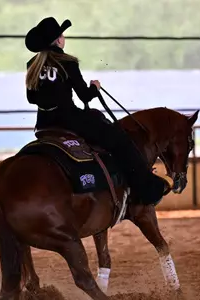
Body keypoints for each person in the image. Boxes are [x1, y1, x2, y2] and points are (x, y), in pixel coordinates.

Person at [24, 17, 168, 205]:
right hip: (69, 119)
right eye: (62, 34)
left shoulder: (32, 65)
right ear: (58, 40)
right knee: (119, 139)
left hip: (43, 124)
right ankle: (147, 190)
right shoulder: (67, 62)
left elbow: (31, 99)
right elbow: (84, 96)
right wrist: (95, 88)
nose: (63, 37)